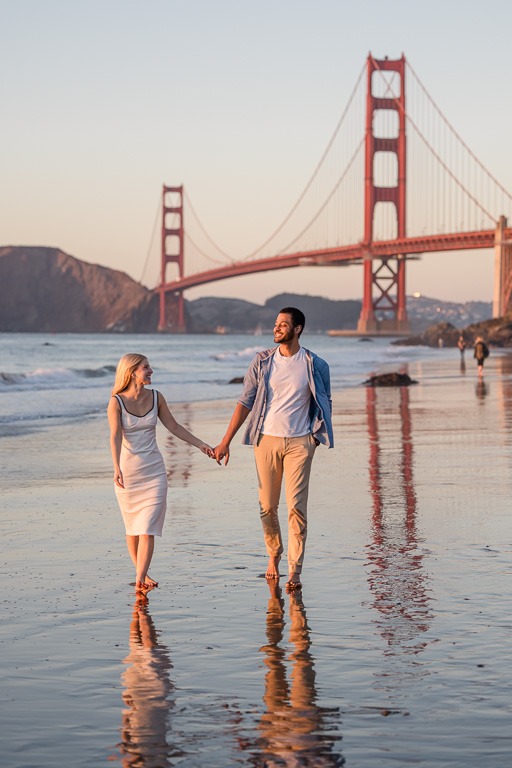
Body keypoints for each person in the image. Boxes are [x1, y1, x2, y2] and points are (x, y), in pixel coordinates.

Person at [214, 307, 333, 591]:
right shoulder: (262, 361)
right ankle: (273, 554)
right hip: (265, 439)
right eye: (276, 323)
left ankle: (294, 570)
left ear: (298, 329)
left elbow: (326, 402)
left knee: (296, 507)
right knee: (267, 506)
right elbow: (245, 401)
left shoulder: (316, 364)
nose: (277, 327)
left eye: (283, 324)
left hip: (300, 443)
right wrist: (225, 440)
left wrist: (315, 436)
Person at [108, 353, 214, 591]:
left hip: (154, 472)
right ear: (132, 371)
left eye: (150, 367)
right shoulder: (116, 402)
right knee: (133, 528)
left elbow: (174, 426)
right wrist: (115, 467)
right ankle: (142, 574)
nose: (151, 371)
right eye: (146, 367)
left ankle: (138, 580)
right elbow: (115, 435)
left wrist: (201, 445)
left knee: (147, 527)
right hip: (128, 473)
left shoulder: (157, 397)